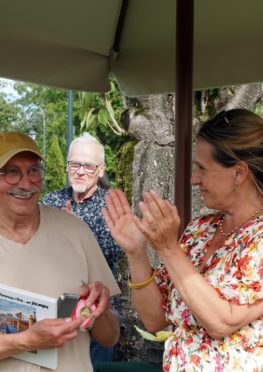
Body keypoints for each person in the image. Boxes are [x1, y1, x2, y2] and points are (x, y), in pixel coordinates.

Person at [102, 109, 263, 371]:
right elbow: (155, 319)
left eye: (202, 168)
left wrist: (167, 247)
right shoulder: (201, 229)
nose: (194, 179)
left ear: (238, 173)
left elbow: (219, 322)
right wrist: (136, 252)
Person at [0, 131, 120, 372]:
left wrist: (102, 309)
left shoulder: (75, 231)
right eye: (12, 172)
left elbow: (109, 337)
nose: (25, 183)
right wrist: (25, 341)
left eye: (33, 171)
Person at [41, 133, 124, 366]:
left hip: (98, 313)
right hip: (56, 309)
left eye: (88, 165)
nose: (79, 171)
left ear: (101, 169)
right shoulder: (51, 201)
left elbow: (113, 253)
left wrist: (75, 230)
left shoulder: (111, 204)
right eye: (74, 164)